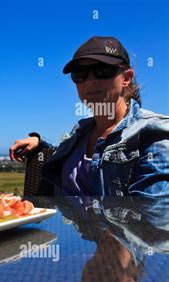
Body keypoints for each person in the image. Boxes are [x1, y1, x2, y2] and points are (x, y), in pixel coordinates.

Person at [9, 36, 169, 197]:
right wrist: (40, 143)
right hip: (65, 222)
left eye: (103, 70)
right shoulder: (82, 130)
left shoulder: (154, 134)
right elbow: (77, 158)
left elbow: (152, 216)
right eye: (80, 74)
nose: (90, 81)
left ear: (126, 78)